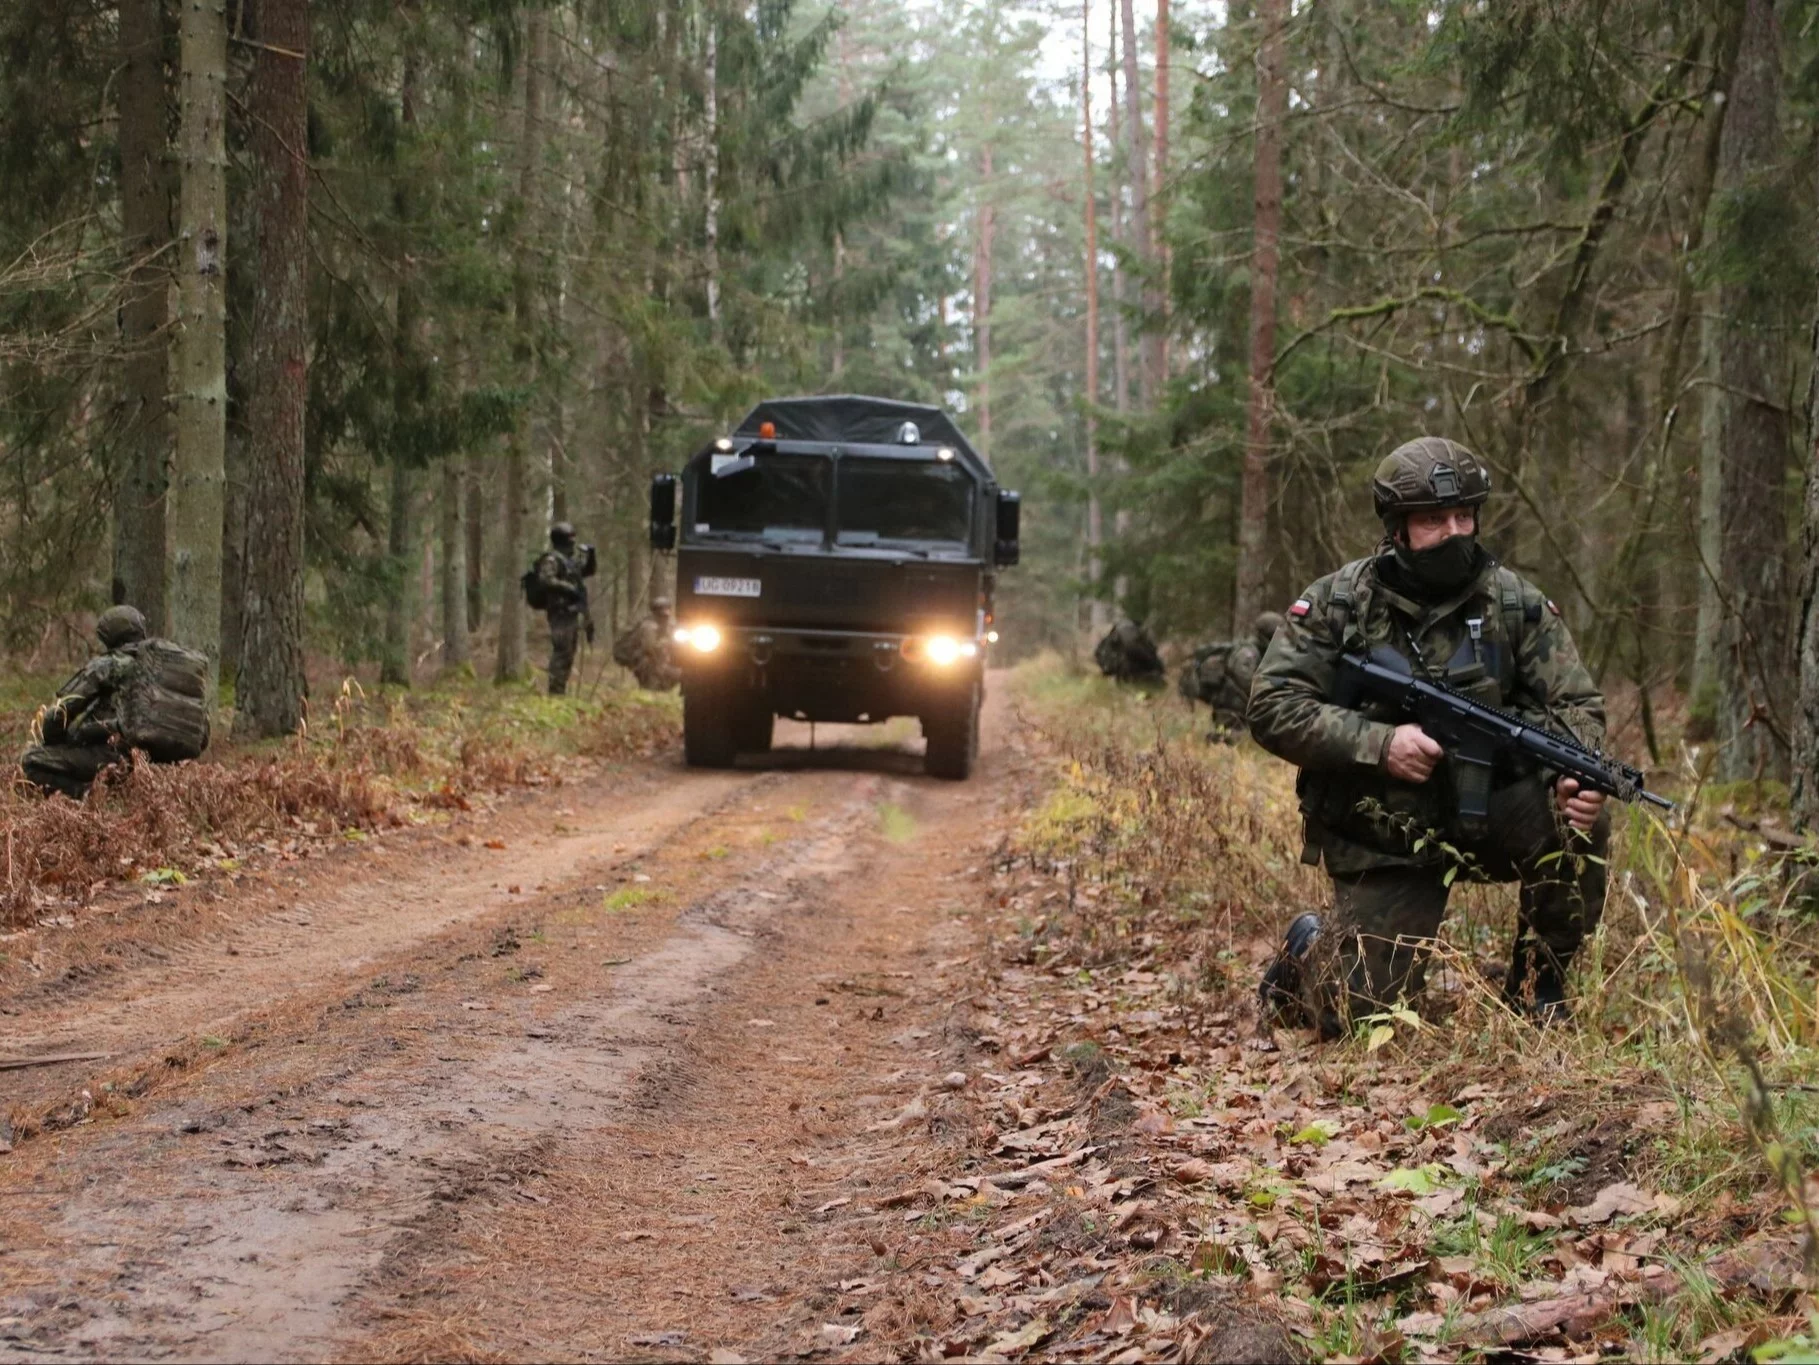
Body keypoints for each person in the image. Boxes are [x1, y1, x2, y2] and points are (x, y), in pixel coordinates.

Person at [1248, 437, 1610, 1035]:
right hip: (1386, 830)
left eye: (1464, 516)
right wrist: (1379, 745)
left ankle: (1538, 988)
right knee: (1362, 1019)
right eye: (1433, 520)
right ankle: (1307, 951)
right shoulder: (1338, 603)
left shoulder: (1514, 603)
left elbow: (1578, 705)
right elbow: (1271, 705)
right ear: (1396, 528)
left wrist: (1575, 771)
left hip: (1490, 811)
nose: (1453, 532)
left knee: (1583, 817)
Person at [20, 606, 206, 799]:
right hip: (166, 766)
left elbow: (62, 710)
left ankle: (89, 798)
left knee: (32, 760)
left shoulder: (108, 664)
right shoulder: (169, 671)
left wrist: (54, 741)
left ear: (108, 637)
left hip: (114, 759)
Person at [1179, 611, 1285, 738]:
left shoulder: (1258, 651)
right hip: (1232, 705)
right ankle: (1218, 739)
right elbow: (1243, 680)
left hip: (1235, 706)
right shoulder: (1248, 653)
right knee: (1233, 736)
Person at [535, 522, 595, 696]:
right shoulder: (552, 559)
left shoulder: (569, 561)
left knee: (569, 653)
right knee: (562, 652)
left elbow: (586, 572)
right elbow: (546, 579)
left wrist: (591, 556)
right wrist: (567, 587)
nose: (573, 543)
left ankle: (559, 690)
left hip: (571, 613)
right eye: (571, 539)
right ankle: (555, 692)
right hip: (560, 613)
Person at [612, 597, 681, 691]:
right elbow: (649, 647)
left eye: (667, 608)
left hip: (660, 660)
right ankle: (652, 690)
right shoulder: (648, 626)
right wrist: (668, 644)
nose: (666, 613)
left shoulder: (671, 624)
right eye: (662, 609)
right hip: (646, 661)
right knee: (655, 677)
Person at [1093, 618, 1165, 686]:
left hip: (1118, 667)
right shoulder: (1132, 634)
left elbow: (1098, 653)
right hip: (1127, 667)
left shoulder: (1116, 632)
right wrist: (1157, 667)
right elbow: (1137, 650)